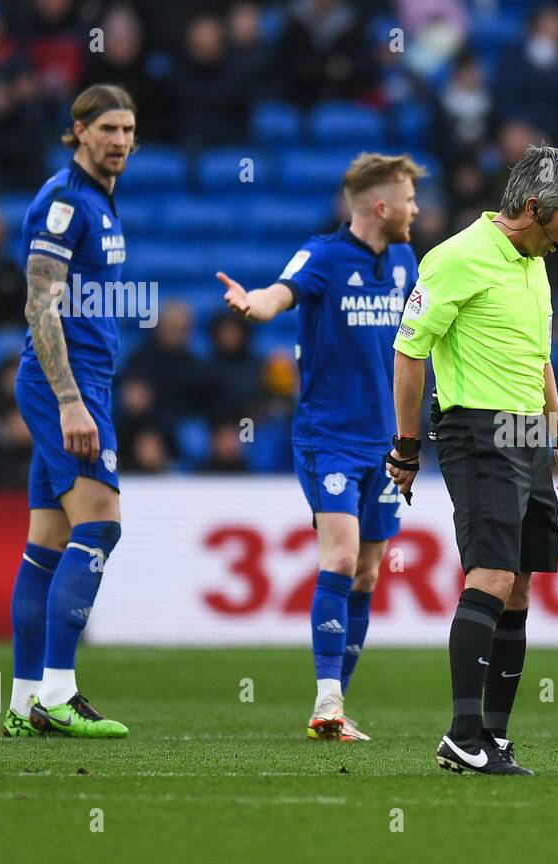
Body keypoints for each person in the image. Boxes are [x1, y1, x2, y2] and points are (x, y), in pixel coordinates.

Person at [388, 144, 558, 775]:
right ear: (533, 207)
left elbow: (537, 358)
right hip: (477, 432)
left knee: (521, 581)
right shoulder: (454, 258)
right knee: (492, 575)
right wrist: (405, 446)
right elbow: (408, 352)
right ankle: (460, 734)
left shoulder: (535, 261)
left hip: (528, 434)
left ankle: (493, 736)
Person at [217, 153, 424, 742]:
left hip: (386, 443)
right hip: (328, 438)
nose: (416, 209)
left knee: (366, 573)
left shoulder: (407, 261)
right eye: (409, 200)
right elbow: (281, 292)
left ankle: (337, 707)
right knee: (338, 558)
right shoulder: (323, 256)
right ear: (381, 207)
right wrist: (254, 304)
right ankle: (326, 702)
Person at [5, 84, 136, 739]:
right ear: (78, 130)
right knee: (101, 524)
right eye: (107, 127)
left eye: (128, 129)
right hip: (67, 387)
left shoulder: (101, 203)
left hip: (84, 384)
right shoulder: (64, 202)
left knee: (47, 544)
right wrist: (68, 400)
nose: (119, 140)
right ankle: (58, 692)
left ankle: (24, 701)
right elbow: (38, 304)